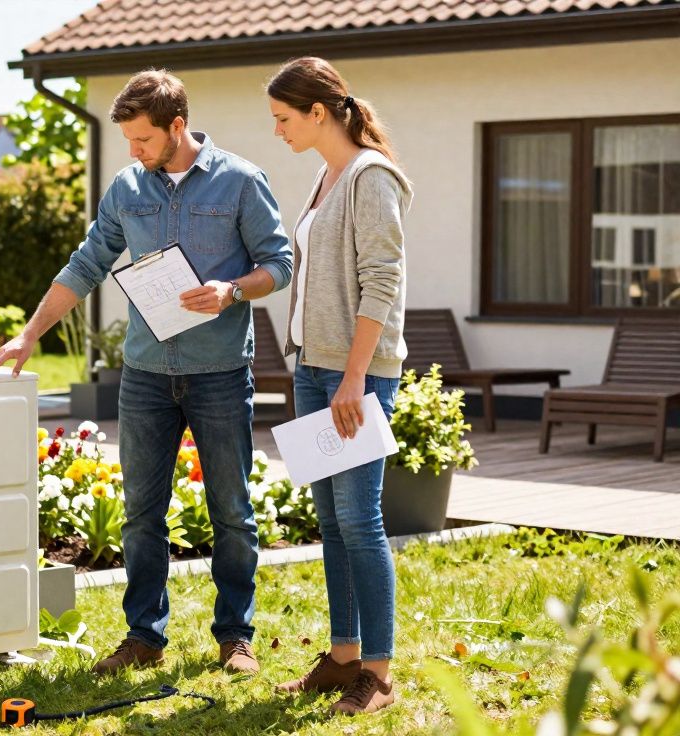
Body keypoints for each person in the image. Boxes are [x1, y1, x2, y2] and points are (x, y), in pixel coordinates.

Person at [0, 69, 292, 678]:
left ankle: (235, 635)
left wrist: (230, 290)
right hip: (147, 373)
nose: (133, 152)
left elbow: (279, 264)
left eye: (143, 139)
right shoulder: (127, 187)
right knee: (140, 512)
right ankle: (144, 636)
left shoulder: (239, 181)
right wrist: (29, 334)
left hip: (220, 371)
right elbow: (87, 264)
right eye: (126, 140)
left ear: (177, 126)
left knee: (231, 510)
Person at [266, 57, 413, 716]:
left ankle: (377, 674)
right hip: (315, 366)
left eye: (284, 118)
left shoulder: (369, 177)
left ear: (319, 112)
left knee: (359, 520)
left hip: (357, 374)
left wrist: (355, 377)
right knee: (330, 521)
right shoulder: (325, 178)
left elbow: (383, 280)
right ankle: (344, 655)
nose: (278, 131)